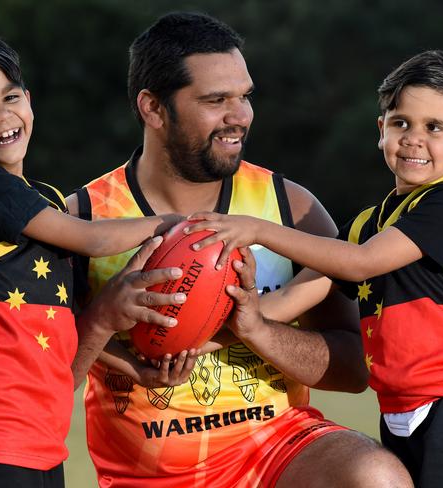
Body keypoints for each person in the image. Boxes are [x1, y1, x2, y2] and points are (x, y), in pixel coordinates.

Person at [68, 12, 412, 488]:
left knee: (375, 476)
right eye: (216, 100)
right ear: (153, 108)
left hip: (277, 452)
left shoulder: (291, 209)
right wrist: (105, 316)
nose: (241, 116)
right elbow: (46, 377)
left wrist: (257, 329)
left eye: (244, 96)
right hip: (146, 477)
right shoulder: (82, 220)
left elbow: (355, 368)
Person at [188, 50, 443, 487]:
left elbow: (364, 264)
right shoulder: (367, 224)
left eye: (435, 127)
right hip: (399, 409)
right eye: (401, 122)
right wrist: (194, 341)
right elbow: (290, 299)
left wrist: (258, 230)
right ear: (381, 129)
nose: (414, 138)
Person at [0, 33, 196, 488]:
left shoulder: (40, 200)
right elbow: (88, 237)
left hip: (39, 426)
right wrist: (167, 223)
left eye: (9, 97)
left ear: (28, 100)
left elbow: (71, 322)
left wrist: (136, 367)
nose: (2, 115)